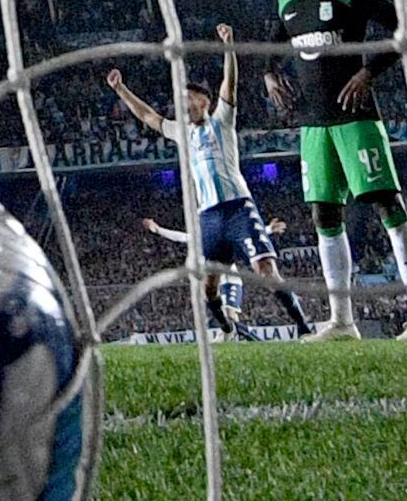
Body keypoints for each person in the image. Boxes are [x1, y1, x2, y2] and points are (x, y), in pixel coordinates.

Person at [265, 0, 407, 341]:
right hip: (313, 123)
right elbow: (273, 42)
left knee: (386, 206)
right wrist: (268, 73)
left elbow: (406, 31)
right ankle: (342, 322)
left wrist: (369, 72)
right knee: (324, 213)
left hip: (356, 119)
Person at [104, 23, 309, 337]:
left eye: (189, 98)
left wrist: (228, 45)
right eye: (181, 98)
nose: (183, 103)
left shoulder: (221, 121)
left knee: (266, 272)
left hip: (239, 208)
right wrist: (121, 90)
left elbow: (231, 83)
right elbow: (147, 116)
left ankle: (304, 327)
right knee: (208, 288)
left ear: (204, 102)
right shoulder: (181, 132)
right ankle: (227, 326)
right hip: (209, 216)